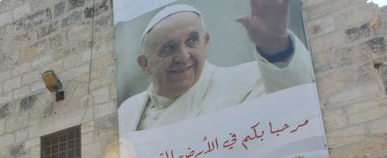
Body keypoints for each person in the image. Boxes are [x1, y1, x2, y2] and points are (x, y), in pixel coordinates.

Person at [118, 2, 314, 131]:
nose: (183, 56)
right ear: (145, 64)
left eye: (192, 41)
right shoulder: (126, 113)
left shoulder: (245, 82)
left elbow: (296, 108)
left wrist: (277, 46)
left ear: (206, 42)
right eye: (169, 48)